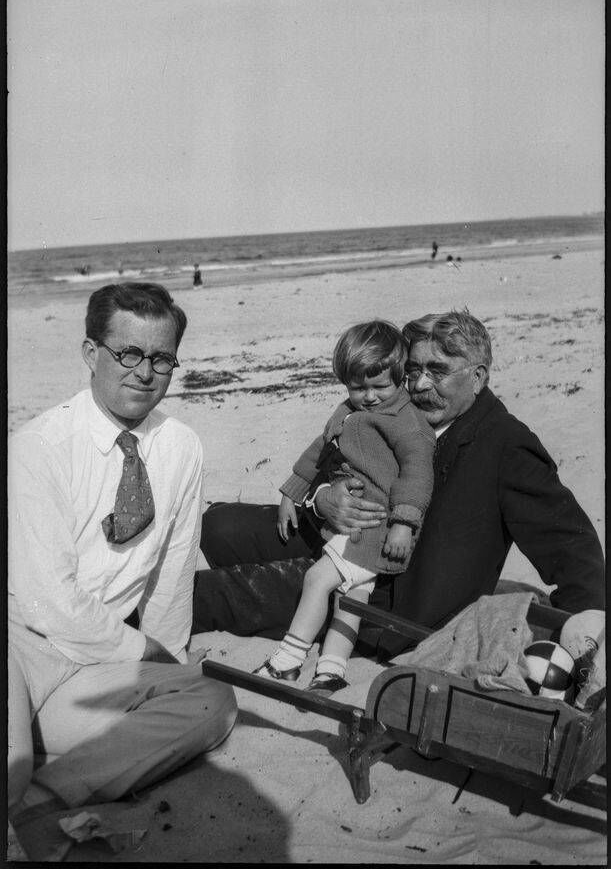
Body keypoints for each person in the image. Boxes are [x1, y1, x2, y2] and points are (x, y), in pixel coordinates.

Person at [192, 311, 605, 660]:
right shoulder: (402, 411)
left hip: (383, 590)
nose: (421, 385)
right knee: (219, 525)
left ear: (478, 377)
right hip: (338, 535)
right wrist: (323, 499)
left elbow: (571, 545)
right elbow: (334, 460)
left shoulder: (506, 445)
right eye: (414, 370)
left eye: (438, 371)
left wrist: (584, 632)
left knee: (213, 595)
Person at [8, 282, 237, 858]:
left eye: (161, 358)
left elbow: (173, 572)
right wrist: (142, 651)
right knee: (8, 767)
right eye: (128, 353)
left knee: (211, 701)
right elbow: (46, 600)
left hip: (90, 669)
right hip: (19, 646)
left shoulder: (181, 446)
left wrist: (169, 659)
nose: (144, 372)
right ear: (91, 353)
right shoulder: (39, 445)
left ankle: (44, 794)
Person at [254, 321, 434, 694]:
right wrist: (292, 492)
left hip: (376, 528)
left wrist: (404, 522)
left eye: (380, 387)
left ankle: (288, 660)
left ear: (400, 377)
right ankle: (331, 670)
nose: (369, 397)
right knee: (352, 598)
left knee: (316, 579)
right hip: (356, 527)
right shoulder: (348, 411)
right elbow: (321, 449)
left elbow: (417, 473)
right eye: (357, 387)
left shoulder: (407, 423)